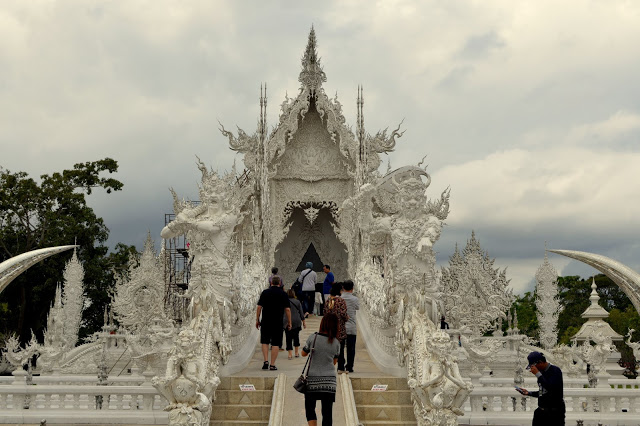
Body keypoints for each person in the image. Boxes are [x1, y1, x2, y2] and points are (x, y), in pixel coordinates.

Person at [302, 313, 341, 426]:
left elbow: (304, 353)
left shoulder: (313, 338)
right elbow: (334, 362)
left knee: (310, 408)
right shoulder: (336, 343)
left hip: (312, 380)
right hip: (329, 382)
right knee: (327, 413)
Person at [516, 351, 565, 425]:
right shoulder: (542, 373)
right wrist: (529, 393)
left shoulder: (555, 371)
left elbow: (552, 389)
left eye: (533, 366)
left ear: (540, 362)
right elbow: (543, 392)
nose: (532, 369)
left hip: (554, 413)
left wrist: (538, 374)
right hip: (541, 411)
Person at [256, 276, 291, 371]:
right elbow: (287, 309)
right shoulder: (283, 294)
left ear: (271, 283)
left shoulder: (265, 292)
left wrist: (257, 319)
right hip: (277, 321)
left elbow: (259, 307)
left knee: (265, 341)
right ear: (279, 283)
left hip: (266, 320)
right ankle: (272, 364)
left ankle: (265, 361)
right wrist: (289, 322)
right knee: (276, 343)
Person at [323, 283, 349, 373]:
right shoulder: (341, 301)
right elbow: (343, 314)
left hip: (329, 328)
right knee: (340, 349)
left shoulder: (328, 301)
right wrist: (347, 318)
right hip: (339, 329)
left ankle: (327, 367)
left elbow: (324, 313)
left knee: (329, 348)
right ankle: (340, 367)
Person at [340, 280, 359, 373]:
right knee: (351, 348)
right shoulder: (354, 299)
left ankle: (340, 366)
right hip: (351, 326)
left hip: (341, 327)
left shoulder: (339, 299)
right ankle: (349, 367)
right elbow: (357, 307)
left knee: (340, 348)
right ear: (352, 288)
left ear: (343, 288)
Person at [284, 288, 306, 359]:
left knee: (288, 338)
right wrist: (304, 322)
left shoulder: (284, 302)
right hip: (296, 321)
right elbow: (301, 313)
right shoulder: (297, 302)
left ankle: (290, 354)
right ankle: (296, 353)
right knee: (296, 337)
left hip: (287, 321)